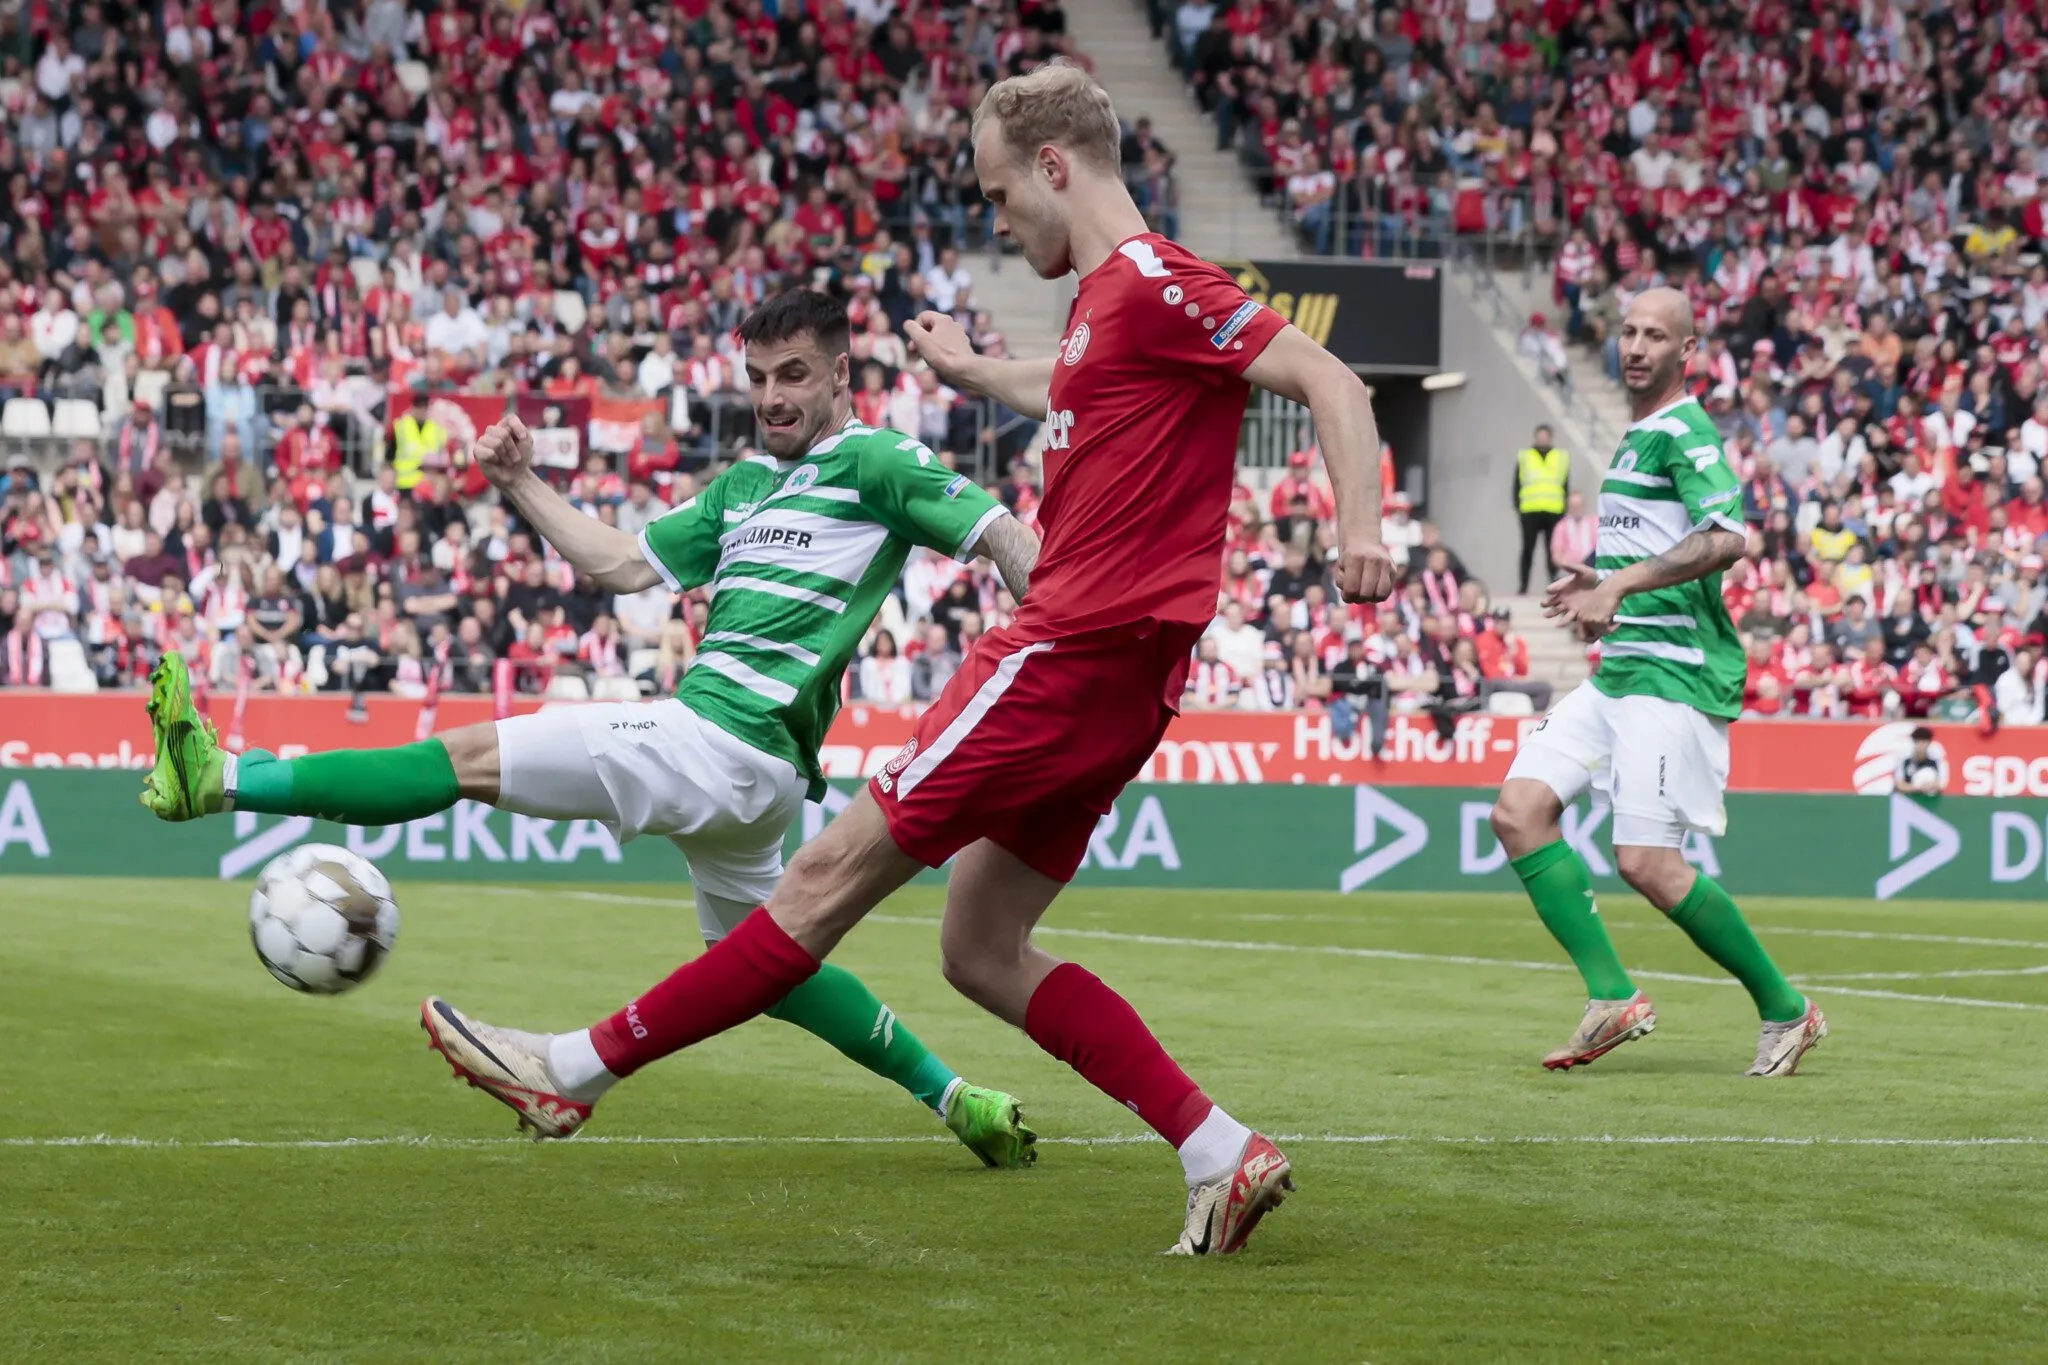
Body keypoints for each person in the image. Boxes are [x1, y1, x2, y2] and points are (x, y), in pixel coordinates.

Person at [417, 61, 1396, 1258]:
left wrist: (1357, 532)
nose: (994, 221)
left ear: (1052, 167)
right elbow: (1084, 379)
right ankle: (1217, 1150)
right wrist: (978, 373)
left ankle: (571, 1070)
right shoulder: (1103, 309)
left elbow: (1329, 380)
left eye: (995, 196)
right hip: (1129, 676)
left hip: (1069, 643)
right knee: (976, 949)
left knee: (822, 877)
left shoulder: (1147, 280)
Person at [136, 290, 1042, 1170]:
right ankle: (959, 1100)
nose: (772, 396)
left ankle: (219, 779)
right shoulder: (740, 488)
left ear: (840, 374)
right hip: (748, 775)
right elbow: (616, 563)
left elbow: (999, 530)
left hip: (721, 737)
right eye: (759, 375)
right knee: (770, 964)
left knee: (467, 756)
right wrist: (521, 482)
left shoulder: (879, 460)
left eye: (794, 374)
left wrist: (1063, 636)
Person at [1489, 287, 1826, 1078]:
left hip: (1670, 676)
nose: (1636, 346)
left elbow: (1726, 536)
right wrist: (1596, 580)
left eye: (1654, 335)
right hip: (1620, 672)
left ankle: (1787, 1008)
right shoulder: (1639, 434)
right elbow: (1657, 547)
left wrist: (1620, 585)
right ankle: (1613, 995)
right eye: (1628, 332)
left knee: (1646, 862)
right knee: (1519, 813)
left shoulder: (1685, 429)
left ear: (1687, 351)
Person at [1514, 424, 1569, 594]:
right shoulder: (1525, 456)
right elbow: (1516, 484)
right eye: (1540, 436)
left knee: (1552, 550)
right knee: (1527, 549)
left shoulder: (1561, 457)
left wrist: (1564, 507)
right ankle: (1523, 586)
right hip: (1530, 510)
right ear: (1535, 437)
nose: (1543, 439)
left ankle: (1554, 584)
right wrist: (1518, 506)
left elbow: (1566, 484)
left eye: (1546, 436)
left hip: (1554, 510)